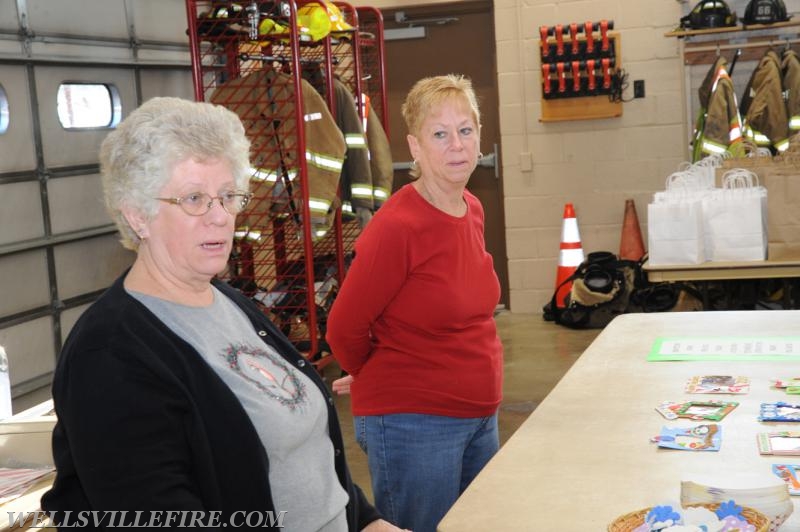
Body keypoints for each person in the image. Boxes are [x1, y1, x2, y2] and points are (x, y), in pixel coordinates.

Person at [40, 97, 405, 532]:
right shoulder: (109, 354)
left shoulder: (231, 302)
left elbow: (305, 455)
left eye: (228, 196)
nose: (220, 218)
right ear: (138, 215)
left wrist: (364, 519)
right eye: (194, 198)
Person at [326, 74, 504, 532]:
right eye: (439, 134)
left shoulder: (471, 209)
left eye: (466, 130)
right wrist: (376, 371)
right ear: (415, 146)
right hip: (416, 424)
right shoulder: (398, 227)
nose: (457, 146)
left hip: (479, 415)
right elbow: (344, 327)